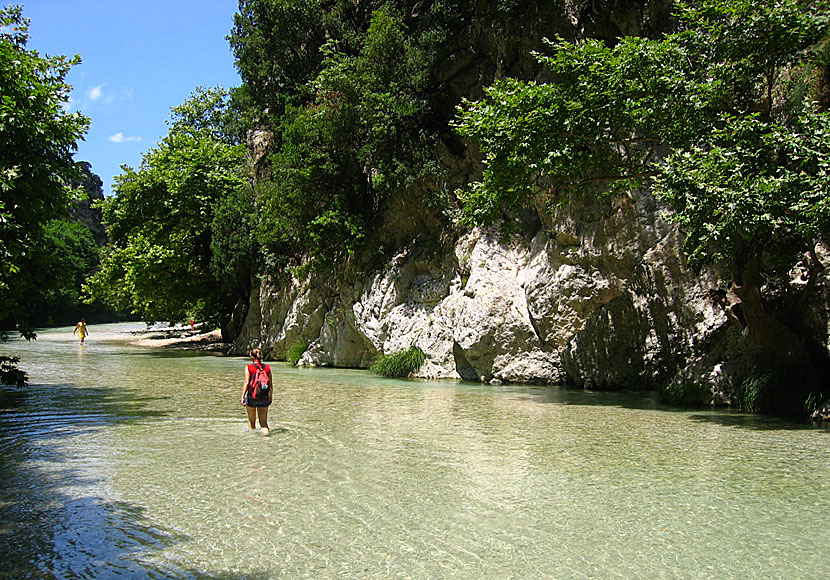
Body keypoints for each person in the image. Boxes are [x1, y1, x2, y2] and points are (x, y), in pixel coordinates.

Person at [242, 348, 272, 435]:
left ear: (251, 356)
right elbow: (270, 384)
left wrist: (243, 396)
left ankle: (253, 442)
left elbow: (247, 382)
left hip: (252, 396)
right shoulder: (267, 367)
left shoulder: (248, 367)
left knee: (252, 423)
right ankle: (266, 437)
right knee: (264, 424)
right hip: (264, 396)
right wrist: (270, 396)